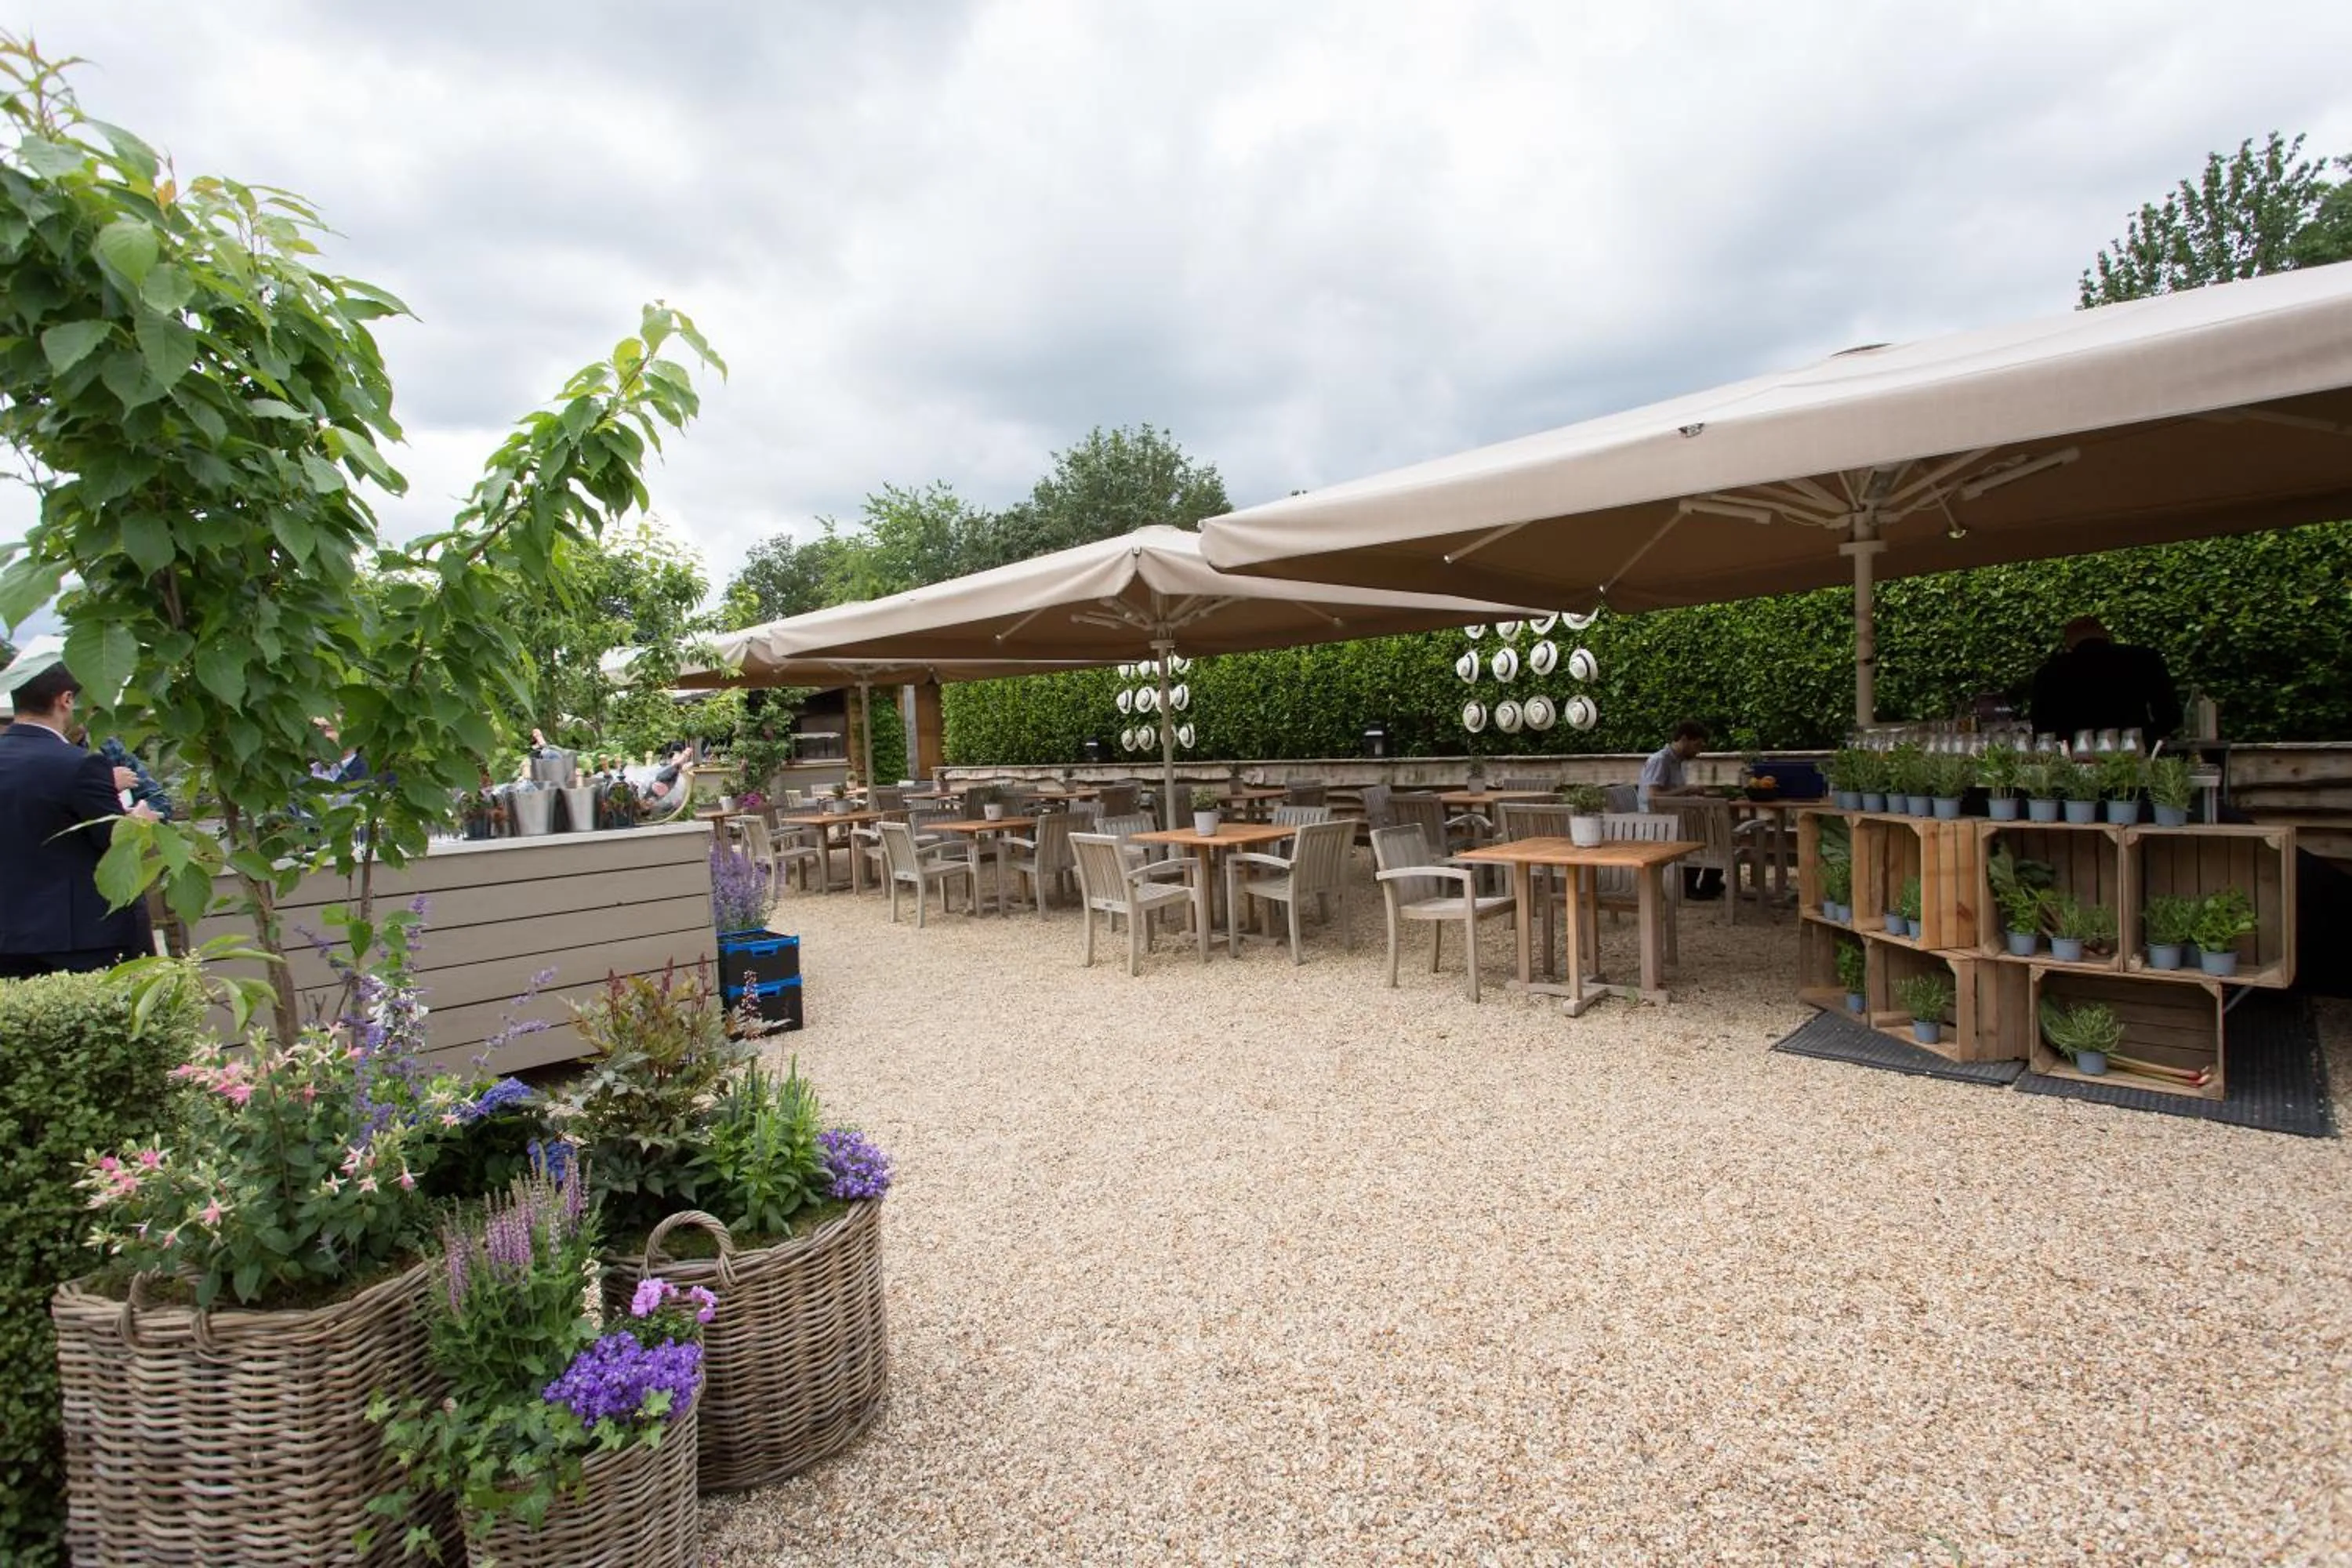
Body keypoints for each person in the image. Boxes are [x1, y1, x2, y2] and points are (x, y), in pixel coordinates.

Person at [0, 658, 158, 979]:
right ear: (66, 699)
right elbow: (113, 842)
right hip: (80, 937)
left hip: (9, 936)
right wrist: (139, 821)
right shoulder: (81, 765)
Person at [2029, 617, 2183, 744]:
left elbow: (2042, 727)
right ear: (2107, 635)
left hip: (2075, 757)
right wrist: (2146, 737)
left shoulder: (2050, 672)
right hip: (2132, 752)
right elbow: (2170, 714)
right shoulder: (2144, 660)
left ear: (2069, 643)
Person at [1638, 720, 1711, 811]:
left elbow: (1672, 794)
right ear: (1684, 739)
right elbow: (1653, 797)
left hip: (1671, 814)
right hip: (1654, 820)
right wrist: (1686, 790)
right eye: (1697, 745)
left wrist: (1691, 794)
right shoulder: (1660, 760)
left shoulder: (1679, 762)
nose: (1698, 751)